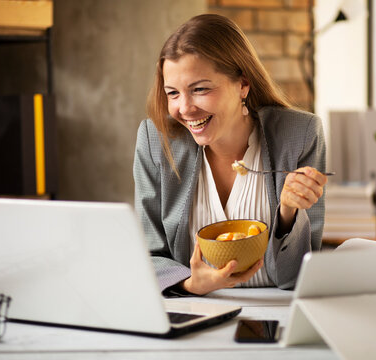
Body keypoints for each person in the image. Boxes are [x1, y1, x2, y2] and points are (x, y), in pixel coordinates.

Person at [133, 14, 328, 296]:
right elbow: (147, 253)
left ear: (243, 84)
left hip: (277, 313)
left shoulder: (300, 134)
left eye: (200, 89)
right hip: (191, 309)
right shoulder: (155, 139)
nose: (184, 108)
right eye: (172, 93)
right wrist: (189, 285)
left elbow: (298, 277)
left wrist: (288, 213)